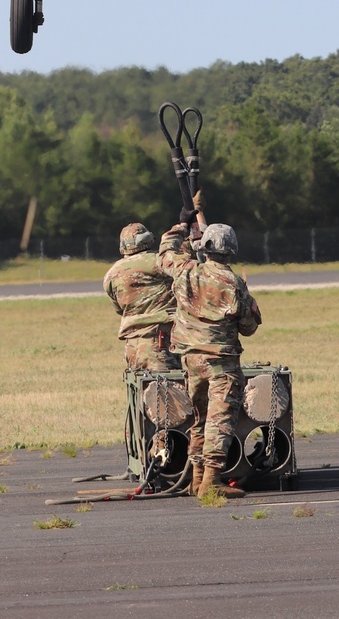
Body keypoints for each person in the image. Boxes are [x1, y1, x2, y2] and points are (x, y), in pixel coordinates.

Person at [158, 210, 261, 499]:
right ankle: (212, 480)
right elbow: (248, 327)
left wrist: (179, 227)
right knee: (220, 420)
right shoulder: (234, 284)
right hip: (221, 362)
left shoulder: (186, 270)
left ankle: (197, 478)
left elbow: (165, 252)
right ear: (231, 250)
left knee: (199, 419)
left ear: (205, 247)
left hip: (190, 359)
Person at [102, 222, 179, 372]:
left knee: (142, 391)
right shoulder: (161, 262)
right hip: (161, 341)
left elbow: (119, 309)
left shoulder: (112, 273)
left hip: (132, 348)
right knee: (168, 392)